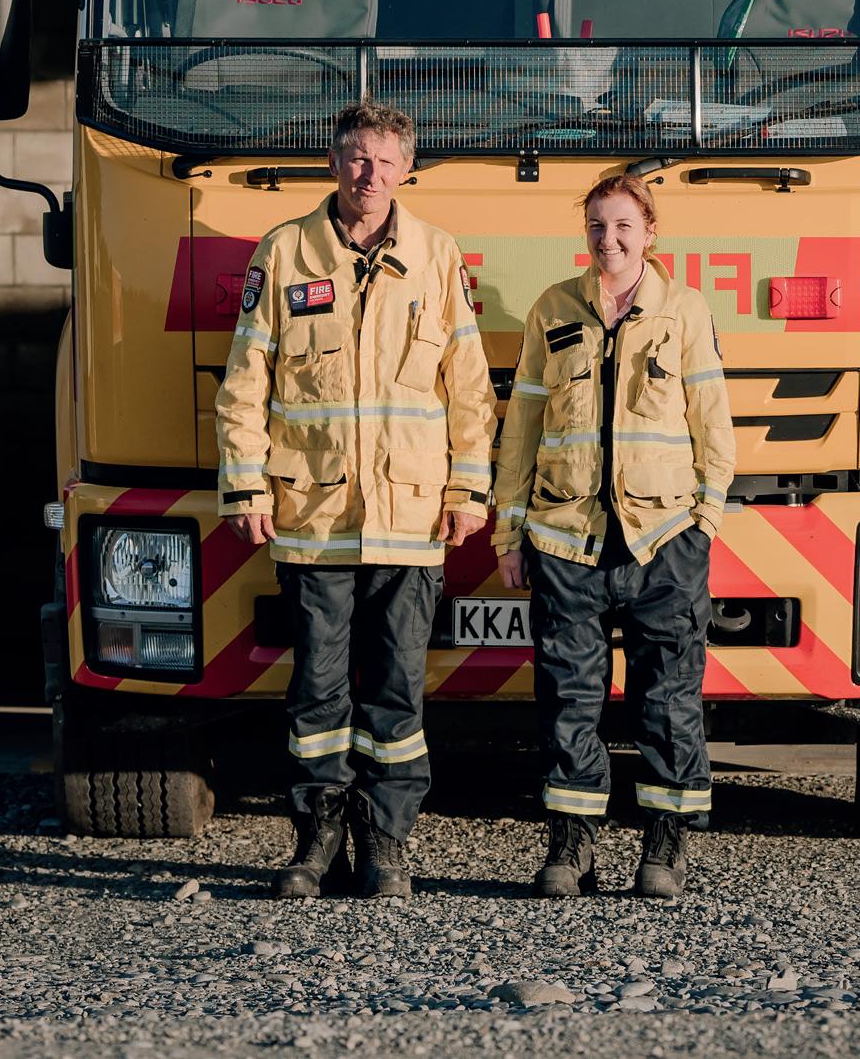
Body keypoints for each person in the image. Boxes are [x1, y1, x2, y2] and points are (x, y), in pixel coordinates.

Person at [215, 101, 496, 899]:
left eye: (383, 160)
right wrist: (244, 483)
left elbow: (468, 388)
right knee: (317, 692)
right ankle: (316, 841)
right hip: (314, 519)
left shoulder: (437, 255)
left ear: (406, 168)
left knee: (397, 694)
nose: (369, 173)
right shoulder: (285, 250)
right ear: (333, 162)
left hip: (410, 516)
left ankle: (386, 844)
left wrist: (467, 488)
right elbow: (245, 382)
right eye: (355, 157)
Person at [493, 173, 735, 899]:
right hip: (567, 538)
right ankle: (571, 848)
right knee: (569, 699)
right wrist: (509, 532)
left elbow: (712, 423)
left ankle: (663, 848)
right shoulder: (553, 309)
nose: (610, 239)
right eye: (598, 226)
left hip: (663, 538)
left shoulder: (684, 310)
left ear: (649, 232)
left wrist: (704, 521)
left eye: (624, 225)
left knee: (668, 699)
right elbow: (520, 428)